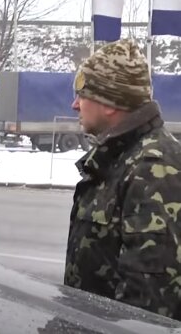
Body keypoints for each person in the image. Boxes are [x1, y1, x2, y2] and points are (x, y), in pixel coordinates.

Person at [64, 38, 181, 320]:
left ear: (110, 102)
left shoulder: (153, 168)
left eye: (83, 94)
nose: (74, 104)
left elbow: (148, 305)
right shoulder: (123, 157)